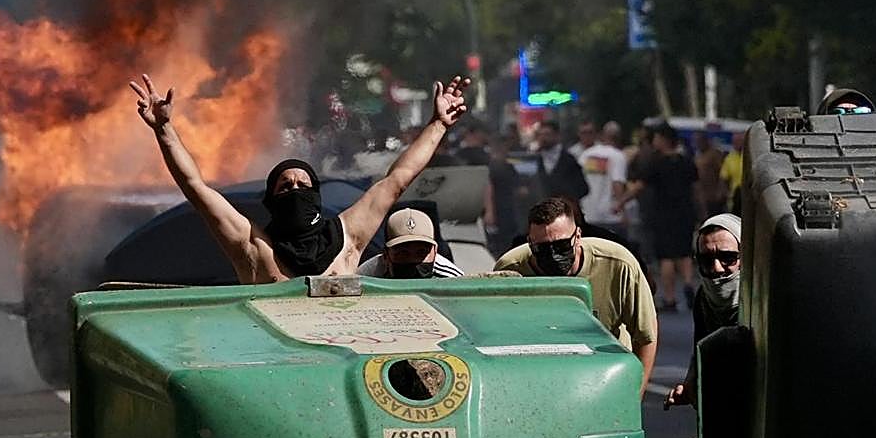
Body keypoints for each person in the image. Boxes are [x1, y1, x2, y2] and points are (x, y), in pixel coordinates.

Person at [129, 72, 470, 283]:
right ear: (271, 199)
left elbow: (397, 179)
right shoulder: (254, 248)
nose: (295, 191)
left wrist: (438, 124)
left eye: (304, 186)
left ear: (316, 196)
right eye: (285, 187)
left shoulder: (347, 236)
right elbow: (196, 188)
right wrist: (165, 131)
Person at [495, 197, 658, 395]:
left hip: (606, 375)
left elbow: (646, 336)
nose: (554, 255)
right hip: (540, 380)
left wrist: (633, 397)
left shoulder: (618, 264)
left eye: (562, 245)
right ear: (530, 243)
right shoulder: (510, 271)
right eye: (543, 249)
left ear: (578, 236)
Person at [664, 213, 741, 438]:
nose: (718, 268)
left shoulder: (765, 299)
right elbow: (702, 354)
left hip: (769, 437)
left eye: (728, 258)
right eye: (707, 259)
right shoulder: (704, 302)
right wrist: (690, 385)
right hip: (724, 434)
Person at [628, 122, 697, 312]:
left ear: (664, 140)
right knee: (684, 254)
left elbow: (640, 185)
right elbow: (695, 188)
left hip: (663, 215)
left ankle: (669, 297)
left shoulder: (656, 163)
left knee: (666, 257)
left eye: (657, 138)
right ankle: (689, 283)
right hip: (685, 213)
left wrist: (620, 201)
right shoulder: (686, 161)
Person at [357, 208, 464, 279]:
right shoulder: (367, 278)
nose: (412, 260)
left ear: (435, 251)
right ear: (386, 255)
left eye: (421, 252)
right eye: (403, 253)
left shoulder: (450, 278)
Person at [578, 121, 628, 233]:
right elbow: (617, 183)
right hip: (611, 216)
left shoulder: (587, 154)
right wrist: (623, 211)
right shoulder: (618, 156)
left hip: (588, 214)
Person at [533, 120, 589, 203]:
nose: (543, 138)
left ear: (557, 136)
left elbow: (583, 188)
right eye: (540, 135)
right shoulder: (537, 159)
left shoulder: (569, 160)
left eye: (547, 134)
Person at [692, 132, 727, 218]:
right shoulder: (697, 156)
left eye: (699, 141)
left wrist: (721, 190)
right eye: (696, 141)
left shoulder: (715, 154)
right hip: (701, 195)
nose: (697, 144)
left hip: (713, 194)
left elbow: (722, 172)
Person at [718, 131, 744, 215]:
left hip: (749, 198)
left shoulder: (751, 157)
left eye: (739, 141)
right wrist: (727, 194)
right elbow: (723, 178)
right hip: (734, 199)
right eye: (734, 141)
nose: (736, 143)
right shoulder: (729, 158)